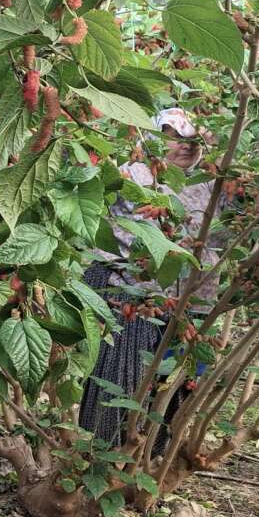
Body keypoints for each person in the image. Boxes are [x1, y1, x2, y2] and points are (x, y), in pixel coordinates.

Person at [79, 107, 216, 449]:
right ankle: (106, 450)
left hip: (187, 301)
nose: (186, 145)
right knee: (122, 377)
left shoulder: (207, 185)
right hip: (131, 291)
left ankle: (153, 453)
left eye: (193, 139)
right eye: (173, 136)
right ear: (153, 138)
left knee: (173, 381)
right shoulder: (132, 174)